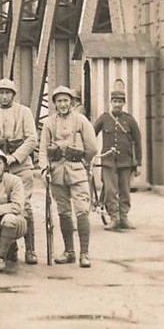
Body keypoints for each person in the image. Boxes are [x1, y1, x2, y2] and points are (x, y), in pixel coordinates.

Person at [0, 78, 38, 264]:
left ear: (13, 94)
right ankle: (8, 246)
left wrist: (13, 158)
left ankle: (31, 249)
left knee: (24, 206)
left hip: (19, 165)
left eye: (8, 93)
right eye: (1, 93)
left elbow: (31, 139)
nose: (4, 96)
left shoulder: (24, 112)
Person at [38, 84, 98, 268]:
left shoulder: (81, 120)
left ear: (71, 102)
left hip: (77, 171)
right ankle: (69, 251)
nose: (63, 104)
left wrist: (82, 162)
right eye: (59, 101)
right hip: (57, 172)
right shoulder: (48, 123)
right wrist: (44, 170)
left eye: (66, 100)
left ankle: (84, 253)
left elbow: (92, 147)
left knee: (81, 210)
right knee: (63, 211)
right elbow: (42, 150)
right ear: (54, 104)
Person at [93, 90, 142, 230]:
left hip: (126, 161)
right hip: (108, 161)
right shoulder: (104, 118)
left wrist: (138, 163)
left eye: (120, 101)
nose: (117, 104)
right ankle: (114, 218)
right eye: (115, 101)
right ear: (111, 102)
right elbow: (91, 134)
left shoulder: (130, 120)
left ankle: (124, 218)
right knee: (110, 190)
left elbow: (138, 142)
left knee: (125, 191)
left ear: (124, 103)